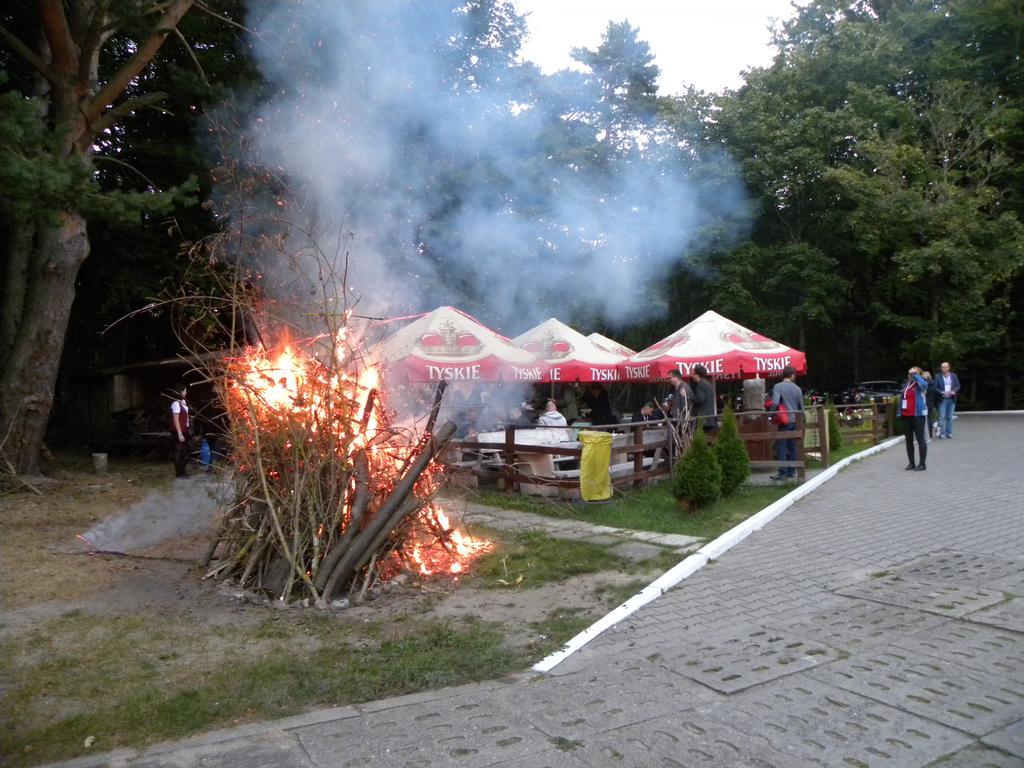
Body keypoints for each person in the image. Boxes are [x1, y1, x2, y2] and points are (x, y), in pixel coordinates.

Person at [769, 365, 803, 481]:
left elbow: (775, 402)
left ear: (783, 374)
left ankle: (782, 472)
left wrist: (770, 415)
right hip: (795, 420)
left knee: (781, 446)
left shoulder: (778, 386)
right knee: (792, 445)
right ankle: (792, 471)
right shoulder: (797, 389)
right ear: (792, 375)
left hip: (784, 420)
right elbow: (801, 408)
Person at [900, 366, 929, 471]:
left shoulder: (920, 384)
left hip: (917, 415)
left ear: (918, 375)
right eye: (910, 373)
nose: (910, 374)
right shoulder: (907, 384)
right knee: (908, 440)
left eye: (913, 373)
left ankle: (922, 464)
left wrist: (916, 375)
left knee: (920, 439)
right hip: (906, 415)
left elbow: (925, 385)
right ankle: (911, 463)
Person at [169, 382, 191, 478]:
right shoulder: (175, 404)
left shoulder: (184, 402)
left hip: (184, 429)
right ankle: (179, 473)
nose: (186, 392)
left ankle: (182, 470)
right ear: (180, 392)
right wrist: (179, 434)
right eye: (185, 391)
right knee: (178, 450)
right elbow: (176, 419)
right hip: (177, 430)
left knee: (188, 450)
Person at [935, 361, 961, 439]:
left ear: (949, 368)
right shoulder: (937, 376)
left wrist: (954, 391)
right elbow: (935, 387)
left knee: (949, 417)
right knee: (941, 417)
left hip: (951, 398)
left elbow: (958, 385)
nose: (943, 368)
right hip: (942, 399)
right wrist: (941, 392)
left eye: (945, 367)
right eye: (942, 367)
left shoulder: (954, 376)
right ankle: (942, 434)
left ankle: (949, 433)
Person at [690, 364, 718, 432]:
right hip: (709, 418)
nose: (692, 376)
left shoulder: (700, 385)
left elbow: (700, 399)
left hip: (704, 419)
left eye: (693, 374)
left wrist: (690, 398)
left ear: (697, 374)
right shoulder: (708, 384)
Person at [922, 371, 940, 440]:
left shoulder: (924, 384)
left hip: (925, 402)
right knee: (929, 418)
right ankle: (929, 434)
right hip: (931, 403)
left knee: (925, 419)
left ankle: (926, 435)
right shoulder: (934, 383)